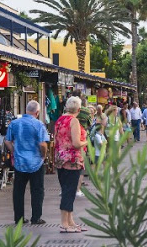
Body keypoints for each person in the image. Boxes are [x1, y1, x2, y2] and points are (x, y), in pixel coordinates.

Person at [4, 100, 49, 225]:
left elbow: (7, 141)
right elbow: (43, 144)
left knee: (18, 191)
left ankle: (19, 218)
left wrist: (15, 152)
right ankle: (36, 217)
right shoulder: (39, 125)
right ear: (37, 112)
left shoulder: (14, 123)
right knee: (37, 190)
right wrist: (43, 156)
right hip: (36, 162)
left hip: (20, 162)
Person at [53, 96, 87, 233]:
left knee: (68, 190)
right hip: (72, 161)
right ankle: (64, 224)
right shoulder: (74, 121)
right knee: (69, 192)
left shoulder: (59, 120)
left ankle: (70, 221)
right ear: (79, 109)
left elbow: (56, 139)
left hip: (60, 159)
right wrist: (86, 141)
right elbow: (76, 143)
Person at [75, 106, 92, 197]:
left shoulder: (67, 114)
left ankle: (65, 189)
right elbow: (90, 124)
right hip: (82, 140)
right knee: (81, 167)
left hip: (68, 145)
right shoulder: (86, 111)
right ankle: (77, 190)